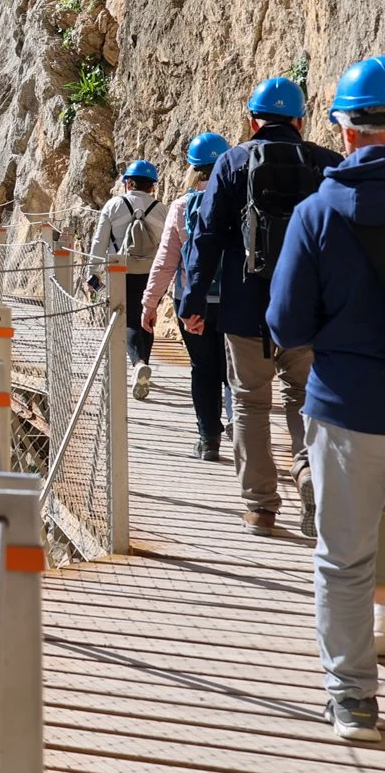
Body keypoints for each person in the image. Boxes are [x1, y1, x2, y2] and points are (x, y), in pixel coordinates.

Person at [267, 56, 385, 741]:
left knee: (344, 558)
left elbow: (286, 324)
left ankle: (353, 701)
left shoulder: (316, 214)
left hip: (345, 409)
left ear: (344, 130)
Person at [181, 75, 343, 536]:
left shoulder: (232, 163)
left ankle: (260, 507)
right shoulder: (325, 163)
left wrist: (193, 301)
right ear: (299, 121)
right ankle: (308, 470)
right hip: (308, 309)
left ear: (252, 120)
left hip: (245, 308)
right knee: (304, 395)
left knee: (250, 402)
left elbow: (206, 238)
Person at [144, 133, 231, 460]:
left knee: (203, 368)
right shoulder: (238, 201)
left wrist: (149, 303)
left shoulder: (182, 206)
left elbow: (166, 261)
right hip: (233, 299)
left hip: (191, 301)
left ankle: (208, 440)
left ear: (193, 169)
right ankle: (240, 428)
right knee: (234, 369)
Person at [88, 159, 165, 400]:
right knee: (147, 318)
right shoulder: (161, 210)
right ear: (152, 186)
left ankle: (138, 364)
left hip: (120, 270)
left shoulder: (113, 205)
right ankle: (144, 367)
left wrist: (93, 273)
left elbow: (99, 241)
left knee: (129, 319)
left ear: (128, 183)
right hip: (152, 273)